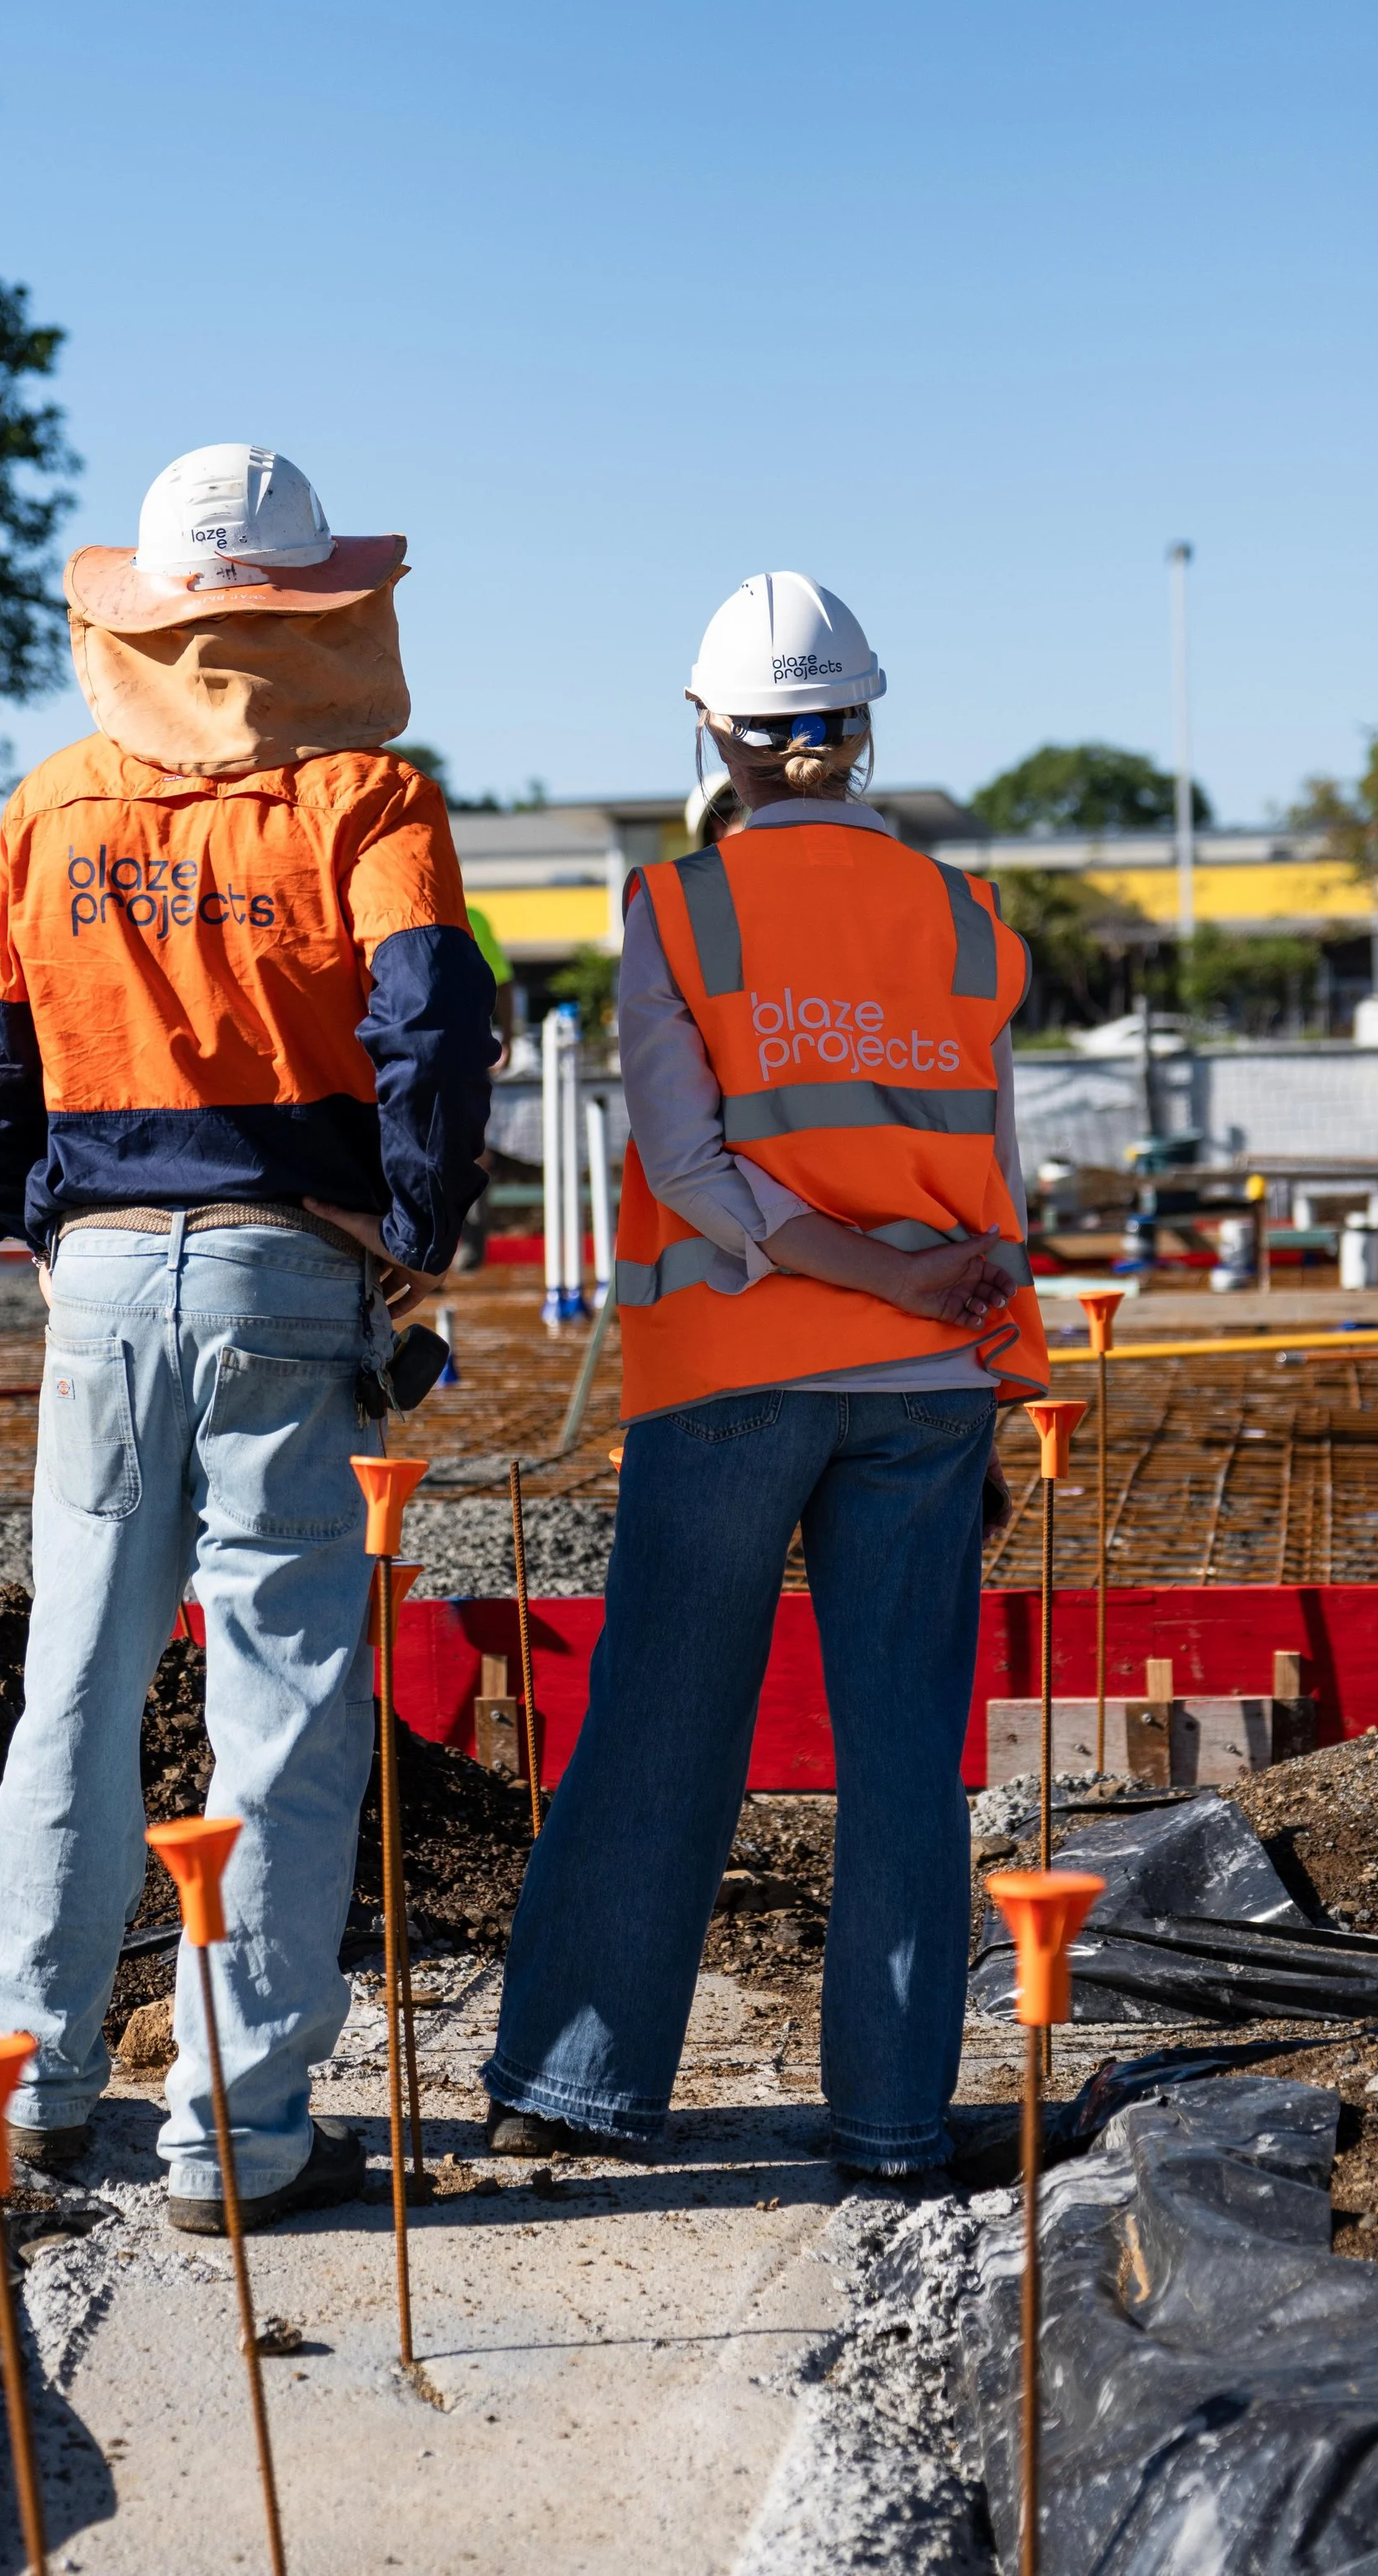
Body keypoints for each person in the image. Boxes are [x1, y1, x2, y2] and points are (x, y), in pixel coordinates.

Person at [0, 445, 495, 2228]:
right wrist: (408, 1228)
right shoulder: (372, 807)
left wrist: (42, 1218)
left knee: (75, 1683)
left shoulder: (51, 807)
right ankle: (236, 2130)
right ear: (319, 613)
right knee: (281, 1704)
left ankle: (19, 2091)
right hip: (282, 1277)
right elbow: (436, 1031)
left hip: (100, 1281)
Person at [481, 569, 1047, 2182]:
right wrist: (942, 1317)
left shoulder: (676, 909)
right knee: (901, 1754)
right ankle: (890, 2116)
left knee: (662, 1721)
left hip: (731, 1374)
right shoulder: (964, 919)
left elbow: (692, 1162)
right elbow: (990, 1177)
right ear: (860, 729)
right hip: (929, 1384)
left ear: (716, 735)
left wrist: (853, 1271)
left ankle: (574, 2085)